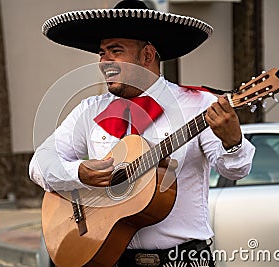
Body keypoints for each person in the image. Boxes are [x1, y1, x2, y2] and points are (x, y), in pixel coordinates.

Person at [30, 0, 255, 266]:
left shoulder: (199, 105)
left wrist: (233, 142)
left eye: (115, 51)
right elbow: (40, 164)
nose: (104, 62)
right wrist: (78, 173)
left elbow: (235, 170)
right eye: (102, 53)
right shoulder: (88, 110)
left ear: (147, 55)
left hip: (180, 259)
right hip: (109, 258)